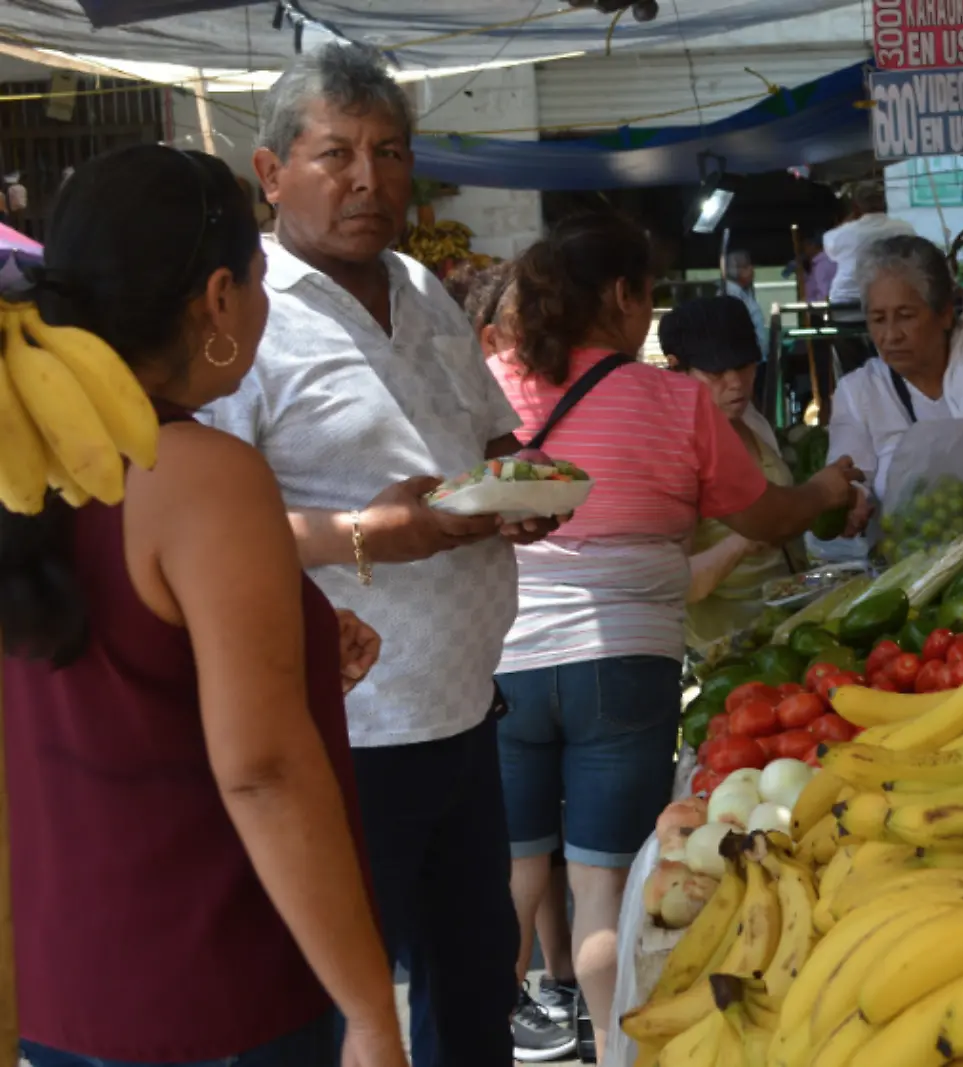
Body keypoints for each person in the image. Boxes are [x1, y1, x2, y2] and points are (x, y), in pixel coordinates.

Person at [0, 146, 404, 1066]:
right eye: (261, 280)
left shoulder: (23, 458)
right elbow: (261, 769)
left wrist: (296, 644)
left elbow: (99, 662)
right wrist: (375, 1013)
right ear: (218, 299)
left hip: (60, 986)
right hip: (210, 988)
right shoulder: (198, 475)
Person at [199, 43, 540, 1067]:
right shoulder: (240, 313)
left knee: (475, 986)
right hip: (346, 729)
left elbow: (488, 440)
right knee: (337, 1009)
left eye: (389, 153)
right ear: (270, 172)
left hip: (467, 707)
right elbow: (214, 528)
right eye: (335, 153)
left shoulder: (423, 285)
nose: (367, 179)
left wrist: (524, 489)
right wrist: (367, 537)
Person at [486, 211, 862, 1054]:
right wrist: (827, 489)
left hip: (507, 660)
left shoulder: (497, 383)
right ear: (623, 296)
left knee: (511, 882)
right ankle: (619, 1051)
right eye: (648, 296)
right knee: (604, 889)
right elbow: (765, 513)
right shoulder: (673, 400)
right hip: (624, 664)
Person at [458, 259, 586, 1059]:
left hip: (505, 646)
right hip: (536, 642)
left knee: (528, 842)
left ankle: (546, 986)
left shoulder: (487, 387)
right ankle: (529, 996)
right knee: (537, 849)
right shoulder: (511, 383)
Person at [827, 234, 963, 534]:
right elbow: (849, 473)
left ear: (944, 313)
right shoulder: (857, 392)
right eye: (878, 319)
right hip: (914, 569)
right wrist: (850, 499)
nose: (891, 335)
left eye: (905, 316)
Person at [660, 295, 810, 651]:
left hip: (786, 631)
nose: (736, 383)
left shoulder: (749, 418)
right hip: (722, 654)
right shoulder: (671, 452)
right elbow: (675, 583)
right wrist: (743, 541)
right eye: (715, 372)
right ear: (676, 368)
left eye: (744, 366)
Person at [822, 181, 916, 309]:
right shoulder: (905, 229)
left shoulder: (842, 234)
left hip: (846, 303)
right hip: (891, 302)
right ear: (885, 203)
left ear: (855, 207)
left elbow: (830, 251)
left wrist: (849, 220)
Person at [721, 248, 771, 357]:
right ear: (735, 270)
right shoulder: (729, 292)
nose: (752, 270)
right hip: (743, 358)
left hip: (756, 357)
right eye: (746, 267)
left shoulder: (744, 291)